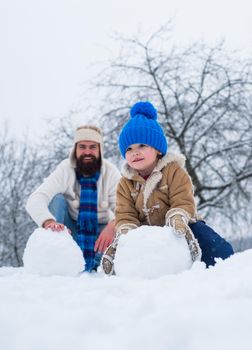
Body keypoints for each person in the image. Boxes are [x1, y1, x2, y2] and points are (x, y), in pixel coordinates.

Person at [102, 101, 234, 275]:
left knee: (206, 239)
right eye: (129, 148)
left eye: (142, 145)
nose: (135, 152)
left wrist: (178, 216)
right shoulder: (125, 183)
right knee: (126, 246)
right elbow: (125, 213)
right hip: (145, 234)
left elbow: (183, 199)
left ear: (157, 149)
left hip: (182, 224)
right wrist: (126, 232)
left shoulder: (173, 171)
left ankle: (228, 267)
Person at [26, 125, 121, 272]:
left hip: (102, 234)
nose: (87, 152)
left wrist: (113, 225)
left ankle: (101, 259)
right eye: (82, 147)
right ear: (75, 149)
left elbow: (126, 207)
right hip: (70, 232)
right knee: (56, 199)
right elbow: (35, 199)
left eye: (93, 147)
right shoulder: (65, 169)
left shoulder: (111, 172)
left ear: (100, 150)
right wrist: (48, 221)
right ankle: (54, 251)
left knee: (123, 224)